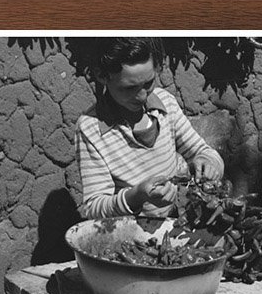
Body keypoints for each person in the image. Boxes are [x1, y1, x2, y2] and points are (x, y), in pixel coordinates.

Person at [74, 38, 225, 219]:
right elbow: (94, 209)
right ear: (102, 76)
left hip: (174, 225)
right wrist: (136, 196)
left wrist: (209, 164)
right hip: (130, 237)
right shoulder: (91, 129)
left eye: (148, 83)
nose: (141, 96)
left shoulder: (165, 104)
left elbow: (203, 152)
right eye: (129, 88)